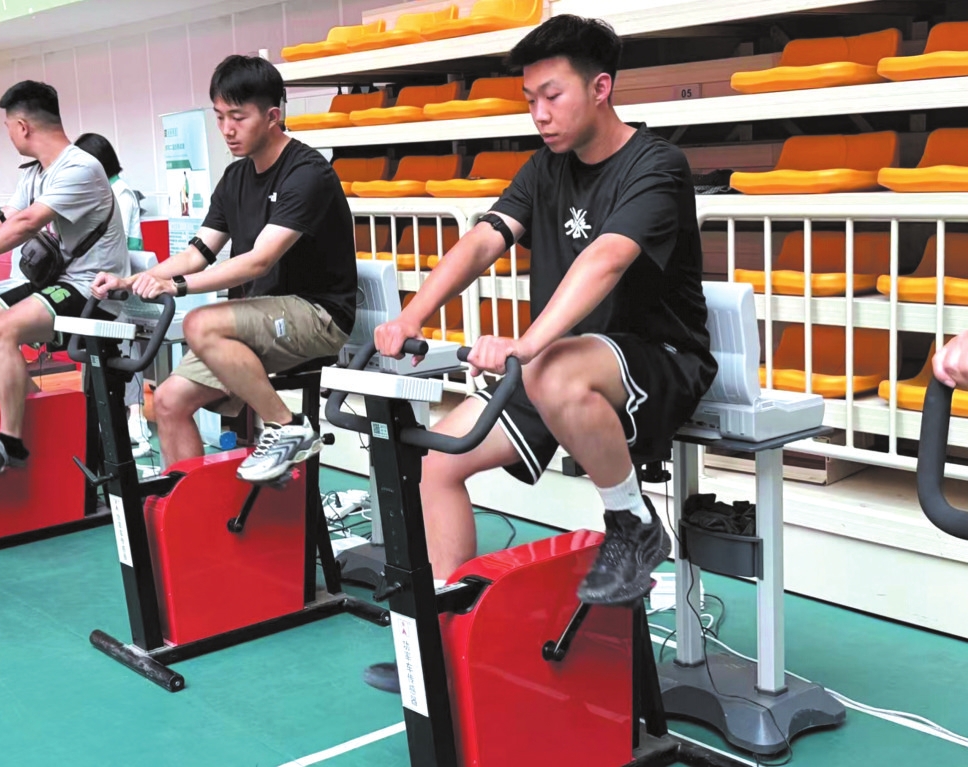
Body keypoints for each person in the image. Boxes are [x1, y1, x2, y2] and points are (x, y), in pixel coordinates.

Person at [375, 15, 716, 618]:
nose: (539, 114)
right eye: (530, 100)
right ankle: (447, 642)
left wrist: (526, 345)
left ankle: (632, 523)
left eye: (552, 96)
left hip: (658, 359)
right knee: (437, 464)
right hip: (557, 366)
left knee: (553, 367)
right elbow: (484, 240)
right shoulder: (543, 169)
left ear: (601, 87)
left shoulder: (657, 165)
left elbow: (606, 259)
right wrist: (411, 317)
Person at [91, 55, 357, 485]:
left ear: (272, 116)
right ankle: (191, 513)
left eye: (238, 117)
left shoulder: (308, 174)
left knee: (201, 322)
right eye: (219, 117)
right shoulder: (235, 178)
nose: (227, 129)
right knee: (169, 401)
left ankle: (287, 428)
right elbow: (198, 252)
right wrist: (133, 280)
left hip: (318, 315)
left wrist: (176, 286)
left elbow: (258, 260)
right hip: (260, 316)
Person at [0, 80, 128, 474]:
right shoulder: (36, 172)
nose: (9, 135)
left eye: (7, 127)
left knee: (3, 329)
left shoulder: (81, 167)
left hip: (91, 288)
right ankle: (41, 414)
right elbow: (2, 219)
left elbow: (26, 223)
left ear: (22, 126)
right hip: (58, 282)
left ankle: (11, 442)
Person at [75, 131, 151, 457]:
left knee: (124, 351)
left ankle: (137, 422)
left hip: (120, 284)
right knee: (99, 353)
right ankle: (109, 420)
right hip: (103, 284)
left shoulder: (120, 195)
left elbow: (124, 246)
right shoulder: (105, 191)